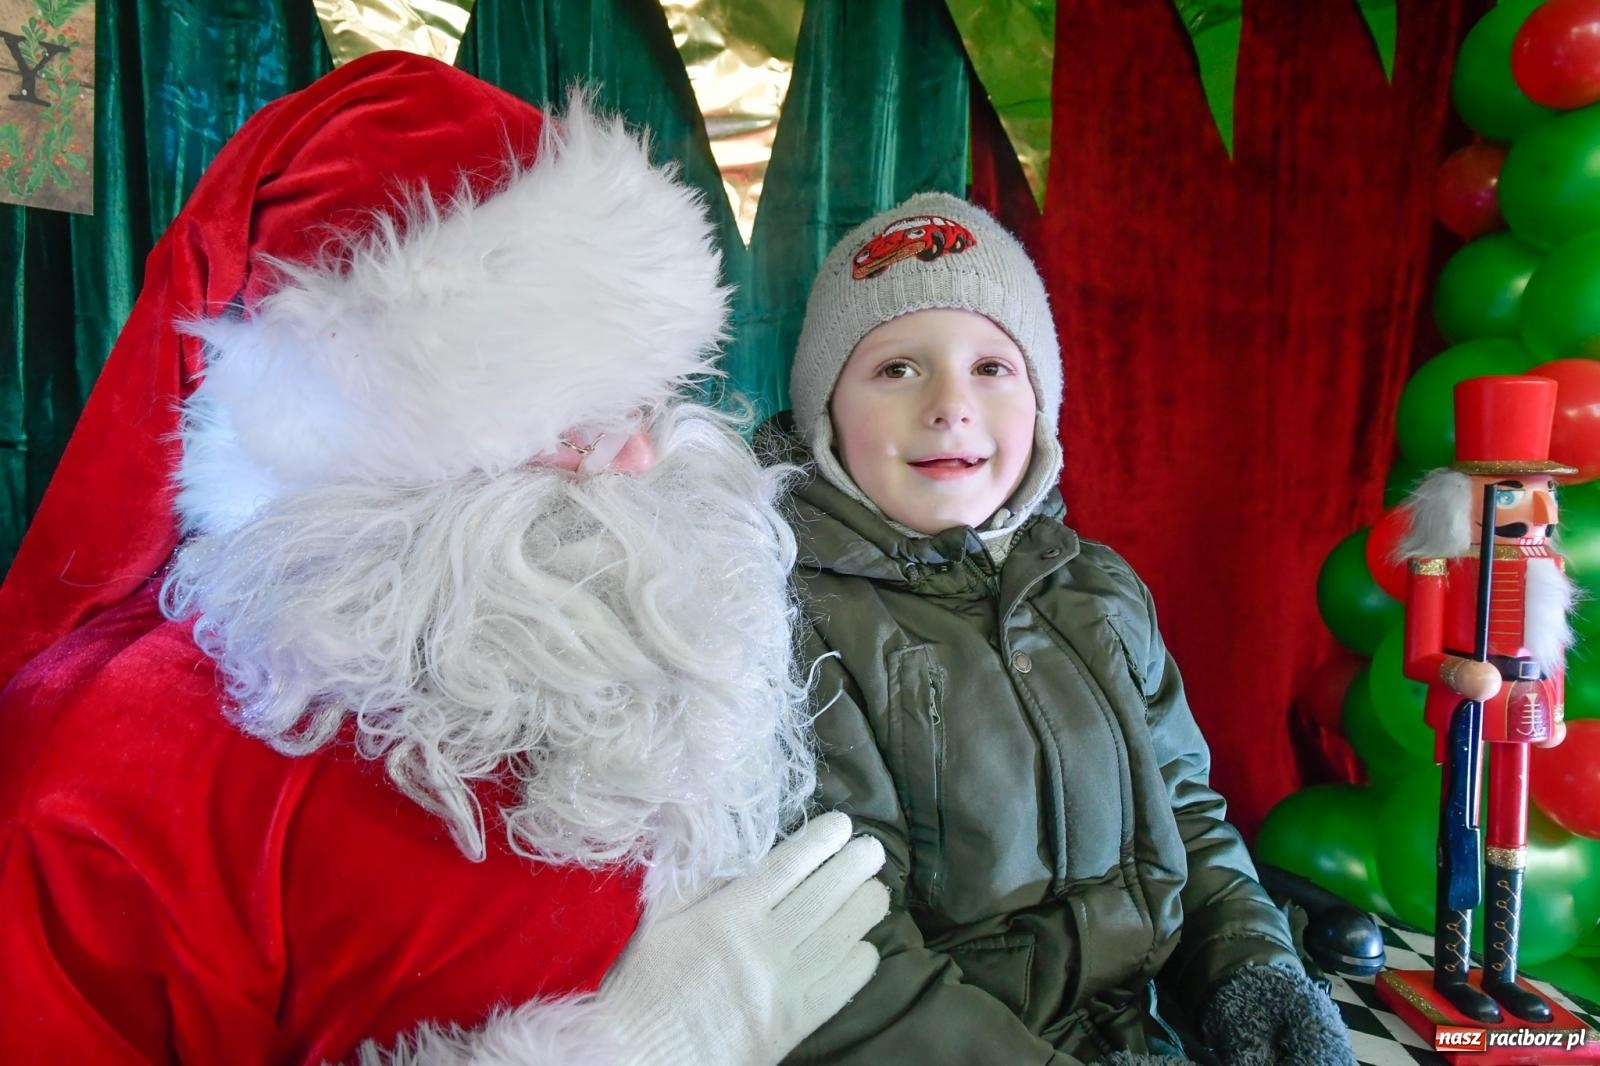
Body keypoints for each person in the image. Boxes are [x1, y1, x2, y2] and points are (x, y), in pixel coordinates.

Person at [0, 51, 889, 1065]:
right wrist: (653, 1043)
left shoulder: (656, 634)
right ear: (382, 437)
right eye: (573, 420)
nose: (638, 455)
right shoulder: (115, 769)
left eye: (642, 402)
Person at [758, 192, 1356, 1064]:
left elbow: (1186, 818)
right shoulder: (788, 623)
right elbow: (839, 949)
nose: (949, 404)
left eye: (993, 367)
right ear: (826, 418)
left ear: (1041, 401)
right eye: (896, 369)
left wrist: (1250, 978)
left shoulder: (1099, 590)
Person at [1397, 375, 1574, 1024]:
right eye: (1513, 490)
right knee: (1461, 829)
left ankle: (1501, 968)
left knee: (1511, 835)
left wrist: (1551, 706)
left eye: (1545, 489)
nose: (1539, 507)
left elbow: (1547, 648)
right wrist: (1455, 673)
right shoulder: (1439, 565)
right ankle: (1452, 965)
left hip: (1521, 707)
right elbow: (1418, 653)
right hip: (1469, 710)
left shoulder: (1545, 567)